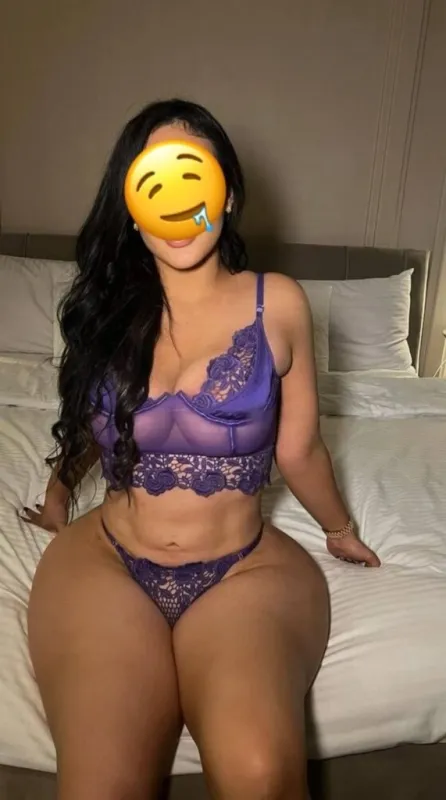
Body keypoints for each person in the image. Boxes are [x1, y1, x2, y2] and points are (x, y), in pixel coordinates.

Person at [22, 98, 380, 800]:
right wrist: (59, 493)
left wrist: (339, 530)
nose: (176, 199)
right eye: (153, 180)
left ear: (229, 194)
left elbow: (301, 449)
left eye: (195, 173)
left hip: (241, 572)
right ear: (131, 206)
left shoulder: (277, 303)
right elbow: (94, 423)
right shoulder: (110, 309)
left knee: (260, 776)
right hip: (107, 564)